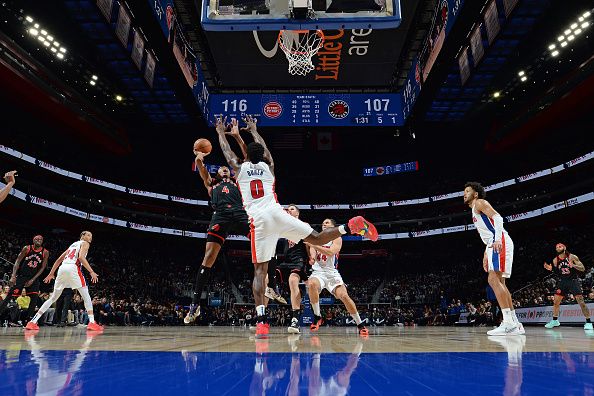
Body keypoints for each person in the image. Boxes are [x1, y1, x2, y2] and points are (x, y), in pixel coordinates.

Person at [219, 114, 378, 337]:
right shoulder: (269, 167)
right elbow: (263, 151)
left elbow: (228, 154)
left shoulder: (239, 169)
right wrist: (254, 129)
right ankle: (348, 227)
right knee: (317, 237)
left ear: (245, 158)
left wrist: (220, 133)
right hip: (278, 213)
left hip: (260, 222)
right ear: (262, 156)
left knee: (259, 270)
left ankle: (262, 320)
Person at [184, 118, 252, 324]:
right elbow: (201, 169)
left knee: (261, 243)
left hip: (240, 213)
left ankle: (270, 287)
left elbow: (245, 158)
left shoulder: (238, 180)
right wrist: (199, 157)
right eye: (221, 168)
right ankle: (194, 305)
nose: (224, 169)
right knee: (208, 258)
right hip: (220, 216)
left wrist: (237, 137)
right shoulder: (211, 183)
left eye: (226, 169)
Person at [463, 182, 524, 336]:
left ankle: (508, 323)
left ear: (475, 194)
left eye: (467, 191)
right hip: (493, 243)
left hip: (499, 240)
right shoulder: (473, 209)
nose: (464, 194)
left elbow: (497, 217)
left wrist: (497, 240)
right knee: (501, 282)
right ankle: (514, 323)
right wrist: (486, 252)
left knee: (493, 280)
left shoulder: (480, 203)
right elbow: (487, 233)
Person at [25, 231, 102, 331]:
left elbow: (59, 259)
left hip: (62, 268)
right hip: (73, 268)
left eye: (91, 236)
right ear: (82, 236)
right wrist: (91, 271)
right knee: (86, 295)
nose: (90, 237)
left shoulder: (72, 245)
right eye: (88, 235)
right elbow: (81, 257)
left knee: (53, 298)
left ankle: (32, 322)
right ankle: (92, 322)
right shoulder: (85, 243)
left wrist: (51, 273)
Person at [307, 218, 369, 336]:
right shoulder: (315, 238)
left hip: (332, 273)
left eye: (327, 223)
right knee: (311, 284)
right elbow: (312, 252)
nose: (324, 224)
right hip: (318, 272)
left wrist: (314, 245)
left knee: (344, 296)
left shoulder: (337, 238)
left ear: (333, 227)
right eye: (323, 223)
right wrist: (312, 258)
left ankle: (360, 324)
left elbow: (330, 252)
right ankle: (317, 316)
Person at [275, 204, 313, 334]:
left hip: (299, 259)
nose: (288, 210)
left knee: (292, 281)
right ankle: (275, 292)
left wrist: (311, 257)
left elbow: (310, 243)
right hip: (286, 260)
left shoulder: (304, 225)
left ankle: (295, 320)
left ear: (297, 213)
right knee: (268, 276)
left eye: (292, 209)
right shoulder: (284, 228)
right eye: (288, 209)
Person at [0, 235, 48, 323]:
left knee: (34, 298)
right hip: (22, 276)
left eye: (41, 239)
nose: (39, 240)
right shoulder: (27, 248)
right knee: (10, 295)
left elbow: (42, 268)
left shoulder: (45, 252)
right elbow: (17, 261)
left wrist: (33, 279)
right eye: (37, 239)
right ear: (33, 240)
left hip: (33, 278)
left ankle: (29, 320)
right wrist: (13, 275)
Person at [543, 243, 592, 330]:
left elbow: (582, 268)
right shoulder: (555, 260)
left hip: (573, 281)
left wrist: (574, 265)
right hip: (563, 282)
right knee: (556, 302)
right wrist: (551, 270)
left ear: (564, 247)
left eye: (560, 246)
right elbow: (558, 273)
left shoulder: (572, 257)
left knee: (581, 302)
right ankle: (555, 320)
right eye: (557, 247)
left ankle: (588, 322)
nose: (558, 248)